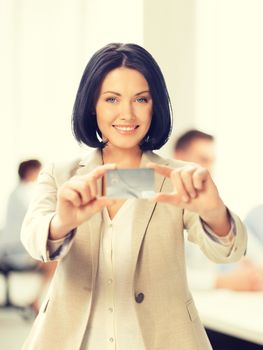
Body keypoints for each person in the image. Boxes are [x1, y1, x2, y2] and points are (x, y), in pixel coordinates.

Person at [20, 43, 247, 350]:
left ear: (155, 106)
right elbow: (34, 239)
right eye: (112, 99)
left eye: (141, 99)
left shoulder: (178, 178)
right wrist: (61, 223)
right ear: (92, 105)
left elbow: (228, 253)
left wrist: (215, 214)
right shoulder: (60, 175)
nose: (127, 113)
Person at [174, 130, 263, 291]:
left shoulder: (217, 206)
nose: (209, 169)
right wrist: (222, 282)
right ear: (179, 157)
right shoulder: (155, 207)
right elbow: (160, 275)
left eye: (212, 161)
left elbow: (251, 251)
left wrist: (256, 273)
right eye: (203, 160)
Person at [0, 160, 56, 310]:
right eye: (38, 171)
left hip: (16, 247)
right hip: (14, 251)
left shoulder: (20, 192)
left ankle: (37, 299)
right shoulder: (21, 195)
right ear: (30, 172)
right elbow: (31, 227)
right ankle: (37, 300)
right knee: (54, 261)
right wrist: (36, 252)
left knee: (54, 259)